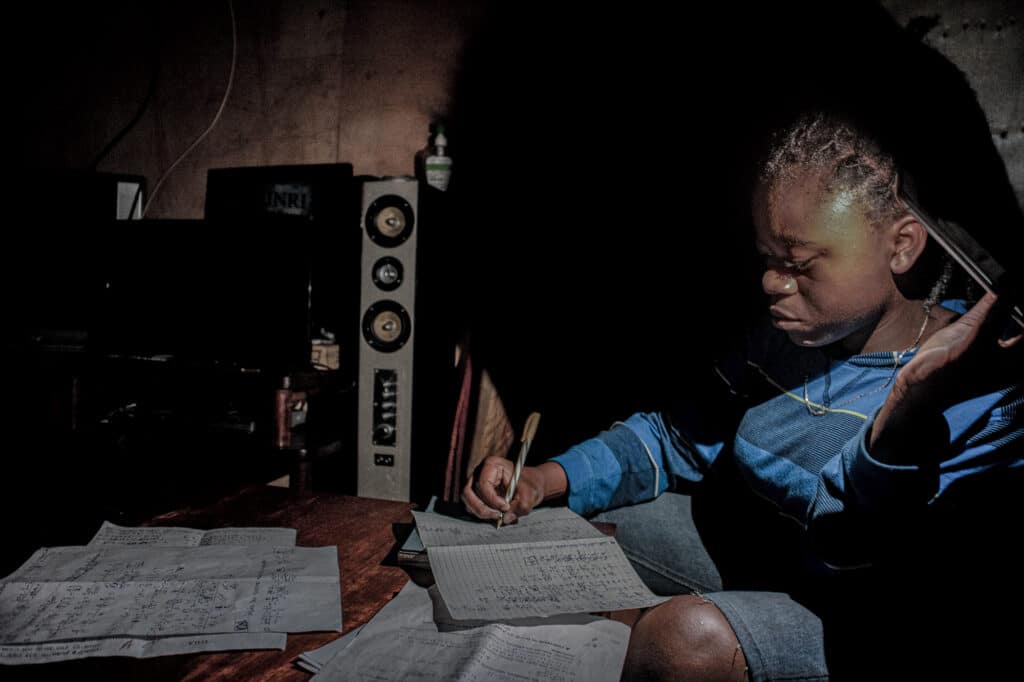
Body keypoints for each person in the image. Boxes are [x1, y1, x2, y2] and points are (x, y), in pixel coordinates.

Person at [462, 111, 1023, 680]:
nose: (773, 283)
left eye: (799, 264)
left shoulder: (976, 390)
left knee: (684, 642)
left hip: (867, 619)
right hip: (774, 560)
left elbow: (856, 556)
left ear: (901, 245)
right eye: (767, 259)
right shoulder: (786, 337)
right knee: (574, 538)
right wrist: (543, 479)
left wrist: (903, 421)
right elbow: (677, 436)